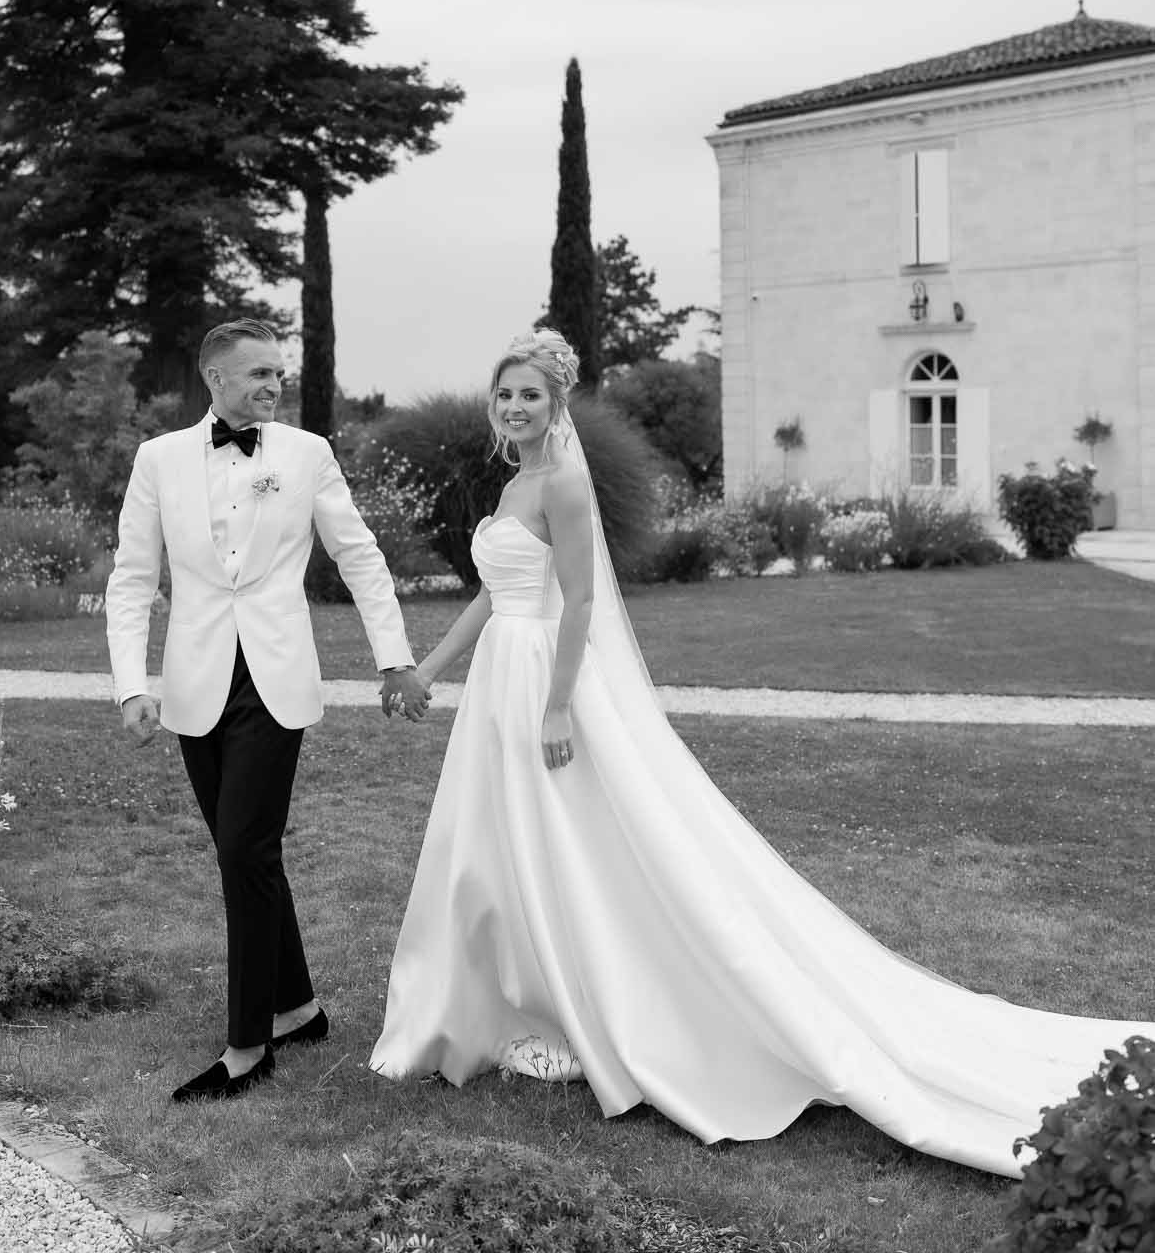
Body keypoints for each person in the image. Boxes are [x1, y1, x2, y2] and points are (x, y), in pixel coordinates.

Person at [370, 328, 1154, 1179]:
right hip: (497, 678)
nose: (513, 406)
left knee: (571, 839)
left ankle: (598, 1004)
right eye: (504, 394)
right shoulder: (515, 479)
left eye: (528, 393)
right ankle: (520, 1003)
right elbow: (495, 596)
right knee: (494, 841)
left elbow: (583, 601)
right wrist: (426, 670)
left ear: (555, 402)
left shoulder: (561, 482)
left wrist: (558, 706)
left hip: (545, 681)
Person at [107, 319, 429, 1103]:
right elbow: (130, 576)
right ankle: (301, 1008)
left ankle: (247, 1046)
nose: (270, 384)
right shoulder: (158, 459)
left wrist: (394, 657)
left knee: (244, 852)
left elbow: (359, 555)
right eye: (255, 373)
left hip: (277, 679)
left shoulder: (305, 453)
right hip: (193, 683)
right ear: (212, 378)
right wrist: (130, 683)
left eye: (275, 373)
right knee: (244, 852)